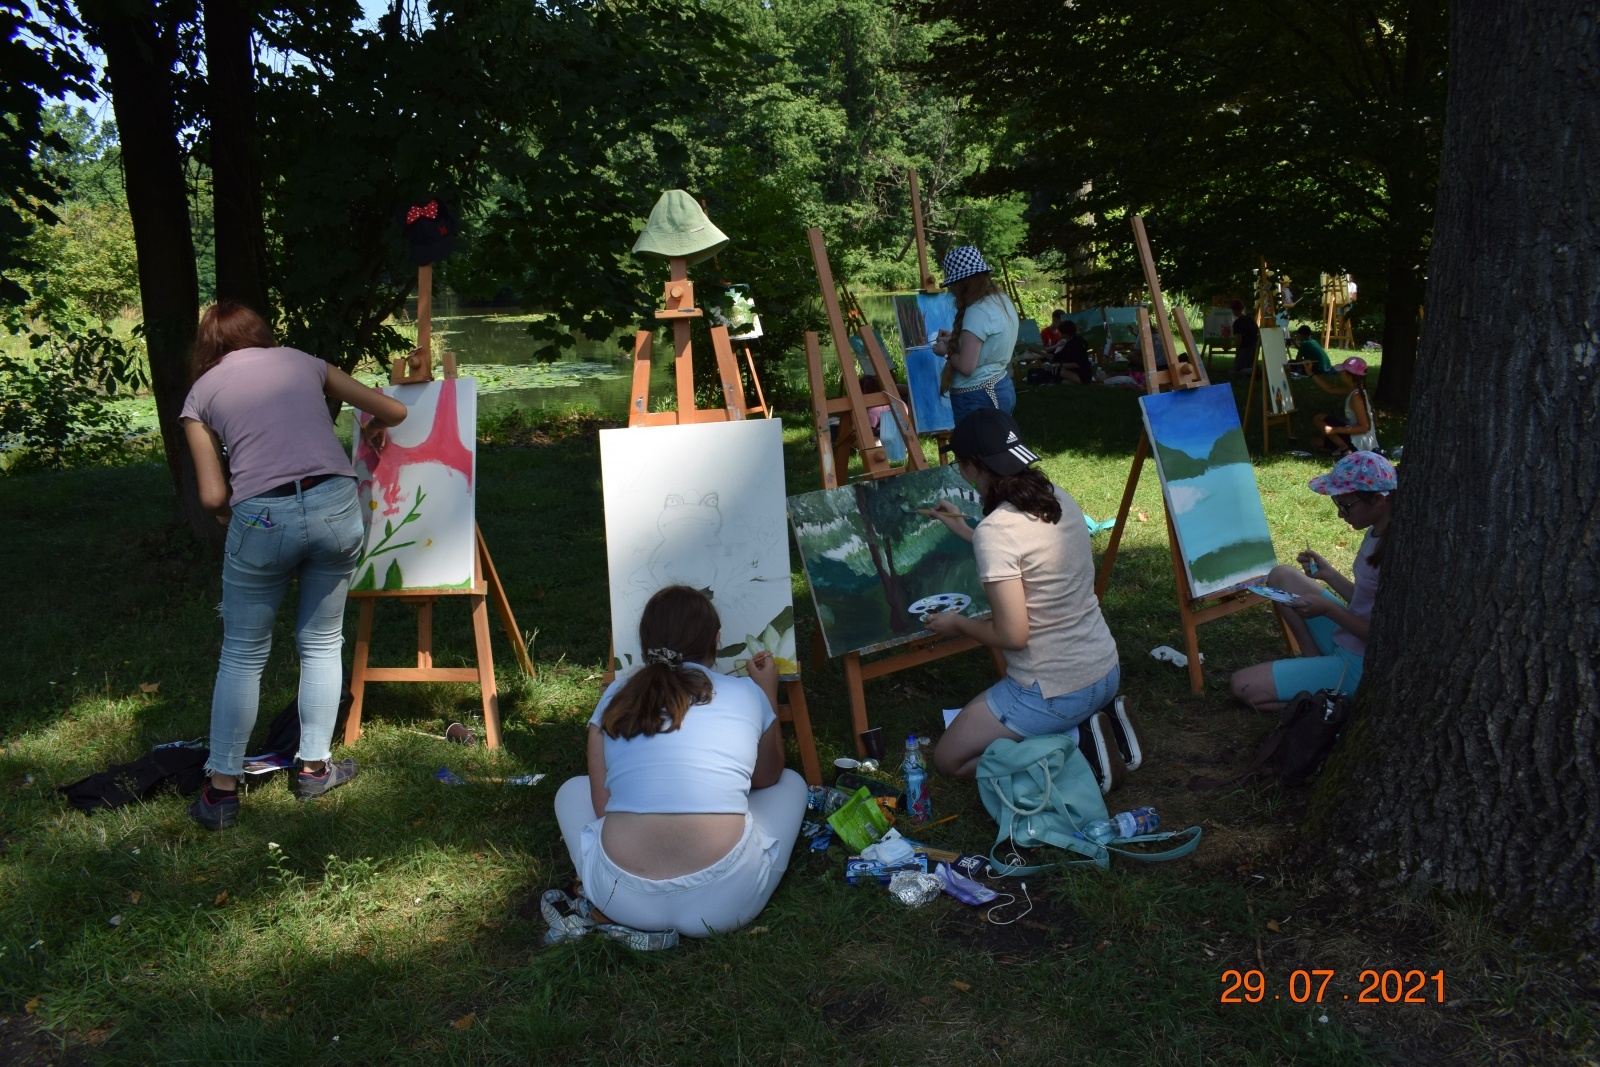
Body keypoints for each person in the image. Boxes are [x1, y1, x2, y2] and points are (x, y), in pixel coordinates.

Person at [181, 301, 408, 830]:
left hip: (262, 517)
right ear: (259, 333)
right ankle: (314, 769)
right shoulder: (302, 361)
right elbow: (394, 410)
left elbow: (212, 496)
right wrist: (374, 424)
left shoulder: (200, 394)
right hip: (336, 507)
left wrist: (230, 519)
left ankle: (221, 793)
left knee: (242, 655)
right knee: (323, 642)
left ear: (208, 347)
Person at [553, 585, 807, 937]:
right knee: (791, 782)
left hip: (623, 899)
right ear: (716, 640)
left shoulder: (615, 695)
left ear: (645, 644)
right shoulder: (746, 692)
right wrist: (766, 691)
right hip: (726, 902)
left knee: (572, 790)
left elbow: (602, 809)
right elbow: (767, 776)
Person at [922, 409, 1139, 792]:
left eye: (959, 464)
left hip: (1055, 691)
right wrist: (964, 528)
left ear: (973, 467)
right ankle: (1099, 724)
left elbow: (1012, 635)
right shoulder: (1054, 496)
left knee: (949, 759)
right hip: (1105, 671)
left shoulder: (997, 531)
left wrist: (957, 623)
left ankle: (1079, 743)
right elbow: (1022, 552)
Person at [1229, 452, 1395, 710]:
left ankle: (1336, 704)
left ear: (1378, 500)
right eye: (1337, 504)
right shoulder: (1376, 531)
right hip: (1347, 638)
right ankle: (1313, 660)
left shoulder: (1394, 552)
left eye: (1346, 506)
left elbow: (1382, 634)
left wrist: (1328, 609)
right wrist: (1329, 575)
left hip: (1358, 663)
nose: (1340, 514)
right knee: (1282, 575)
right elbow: (1366, 602)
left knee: (1242, 686)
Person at [930, 246, 1019, 420]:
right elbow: (990, 343)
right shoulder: (1001, 299)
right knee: (998, 438)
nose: (951, 290)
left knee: (976, 439)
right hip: (1000, 386)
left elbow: (966, 366)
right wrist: (955, 339)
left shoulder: (978, 310)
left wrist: (946, 352)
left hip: (977, 396)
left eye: (952, 284)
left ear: (962, 283)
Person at [1310, 356, 1378, 457]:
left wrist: (1334, 430)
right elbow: (1331, 389)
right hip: (1354, 436)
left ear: (1348, 376)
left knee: (1318, 419)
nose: (1340, 373)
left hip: (1359, 442)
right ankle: (1343, 449)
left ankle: (1345, 449)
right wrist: (1311, 373)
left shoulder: (1356, 397)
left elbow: (1364, 427)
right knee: (1315, 442)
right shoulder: (1354, 389)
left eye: (1342, 371)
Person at [1231, 300, 1260, 377]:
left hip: (1245, 348)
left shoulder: (1237, 323)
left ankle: (1252, 371)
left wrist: (1237, 351)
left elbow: (1239, 339)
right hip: (1254, 347)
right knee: (1249, 364)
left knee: (1237, 370)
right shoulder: (1251, 319)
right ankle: (1252, 370)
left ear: (1234, 311)